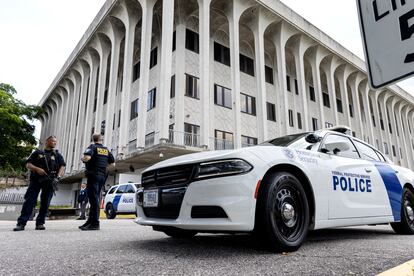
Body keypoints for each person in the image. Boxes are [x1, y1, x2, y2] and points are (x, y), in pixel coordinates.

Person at [13, 136, 66, 231]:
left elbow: (62, 166)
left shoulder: (57, 155)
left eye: (55, 142)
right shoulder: (37, 153)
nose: (55, 143)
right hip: (36, 180)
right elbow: (28, 164)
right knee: (29, 201)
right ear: (47, 141)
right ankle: (21, 223)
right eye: (53, 141)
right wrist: (37, 169)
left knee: (45, 203)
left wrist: (58, 177)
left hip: (50, 181)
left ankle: (40, 223)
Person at [79, 134, 114, 230]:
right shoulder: (106, 150)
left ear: (93, 139)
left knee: (93, 200)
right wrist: (103, 169)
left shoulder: (92, 147)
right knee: (95, 198)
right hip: (102, 176)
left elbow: (87, 158)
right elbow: (112, 163)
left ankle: (95, 223)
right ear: (101, 139)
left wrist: (83, 159)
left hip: (93, 175)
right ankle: (89, 222)